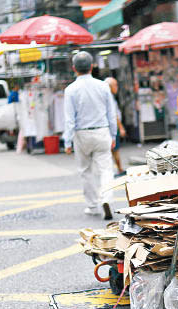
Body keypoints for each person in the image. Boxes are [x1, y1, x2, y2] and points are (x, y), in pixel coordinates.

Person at [64, 51, 117, 220]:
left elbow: (69, 119)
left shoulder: (70, 90)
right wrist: (113, 134)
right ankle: (106, 199)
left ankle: (93, 205)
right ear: (92, 67)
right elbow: (111, 113)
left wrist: (67, 141)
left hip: (81, 134)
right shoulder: (103, 86)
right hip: (102, 131)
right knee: (106, 169)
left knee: (85, 171)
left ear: (74, 68)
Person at [104, 77, 127, 175]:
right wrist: (121, 128)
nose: (117, 87)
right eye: (115, 85)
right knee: (114, 149)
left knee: (113, 150)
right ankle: (118, 169)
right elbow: (114, 115)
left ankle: (118, 169)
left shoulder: (108, 97)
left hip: (109, 127)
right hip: (111, 127)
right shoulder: (109, 98)